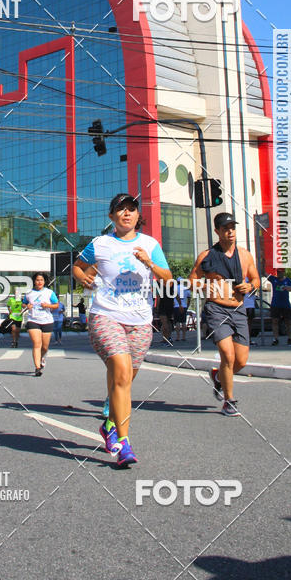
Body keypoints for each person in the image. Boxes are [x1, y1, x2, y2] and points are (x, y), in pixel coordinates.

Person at [72, 192, 172, 467]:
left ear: (138, 216)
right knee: (121, 370)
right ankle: (123, 443)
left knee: (125, 379)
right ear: (111, 216)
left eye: (131, 209)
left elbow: (168, 278)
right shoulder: (100, 244)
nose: (126, 213)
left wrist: (149, 263)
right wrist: (85, 279)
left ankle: (109, 424)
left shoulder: (150, 244)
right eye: (121, 210)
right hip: (106, 315)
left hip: (140, 321)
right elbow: (77, 268)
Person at [189, 212, 260, 417]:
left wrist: (250, 286)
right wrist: (203, 287)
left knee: (241, 361)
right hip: (216, 309)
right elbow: (192, 279)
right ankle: (229, 401)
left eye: (232, 228)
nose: (230, 231)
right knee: (227, 356)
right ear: (217, 231)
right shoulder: (207, 256)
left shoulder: (245, 255)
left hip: (239, 309)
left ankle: (218, 377)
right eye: (225, 228)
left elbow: (255, 279)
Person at [23, 273, 59, 375]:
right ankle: (37, 367)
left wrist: (47, 305)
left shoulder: (49, 292)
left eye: (41, 280)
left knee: (45, 347)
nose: (39, 282)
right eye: (37, 280)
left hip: (47, 320)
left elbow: (56, 305)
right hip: (33, 320)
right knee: (37, 343)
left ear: (44, 281)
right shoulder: (29, 293)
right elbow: (23, 303)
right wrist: (27, 306)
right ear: (34, 281)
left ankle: (42, 357)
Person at [267, 268, 291, 345]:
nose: (279, 274)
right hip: (275, 304)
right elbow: (264, 274)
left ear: (284, 272)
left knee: (288, 322)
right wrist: (263, 262)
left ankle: (289, 338)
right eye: (278, 272)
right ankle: (275, 339)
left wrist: (287, 288)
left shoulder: (287, 280)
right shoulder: (274, 279)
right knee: (275, 321)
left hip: (285, 304)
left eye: (281, 272)